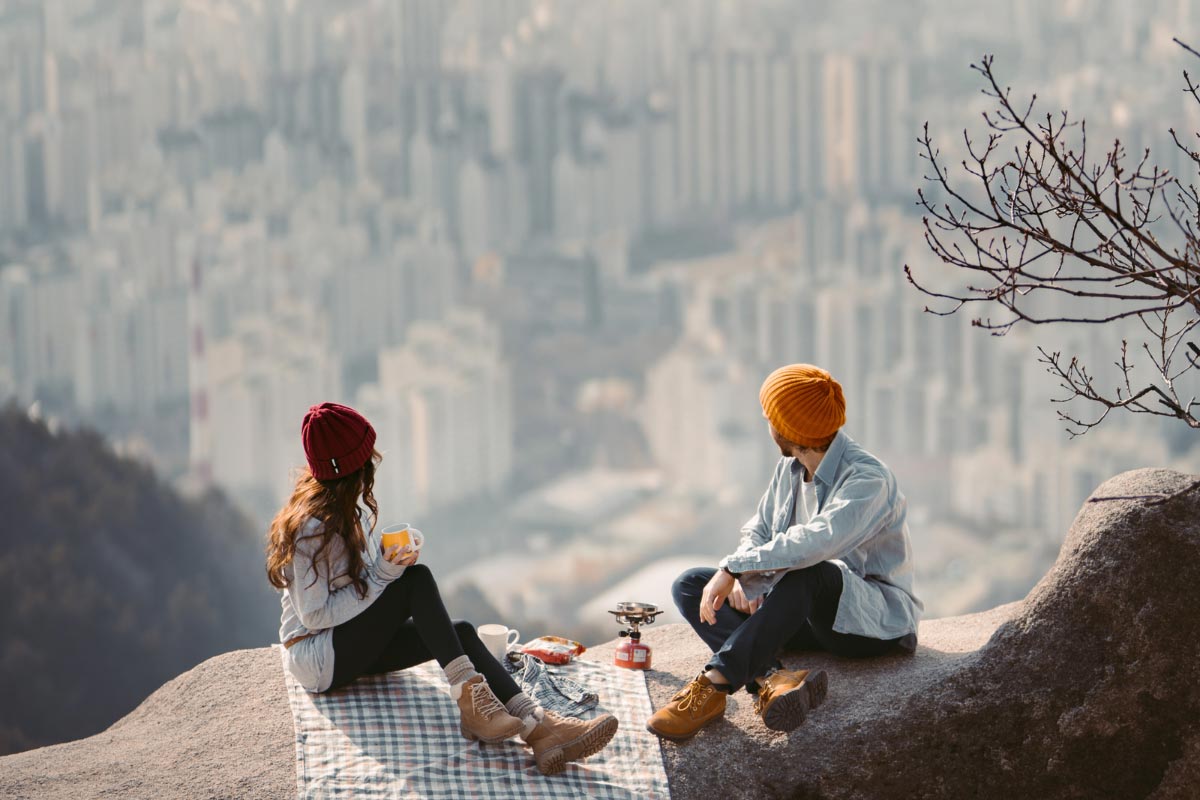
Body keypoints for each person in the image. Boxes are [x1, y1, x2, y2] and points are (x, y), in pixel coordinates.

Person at [266, 402, 618, 775]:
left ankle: (540, 730)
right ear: (352, 465)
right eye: (367, 455)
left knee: (460, 632)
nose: (373, 463)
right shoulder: (310, 528)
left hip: (343, 645)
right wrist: (386, 574)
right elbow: (316, 615)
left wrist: (386, 561)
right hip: (318, 656)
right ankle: (473, 706)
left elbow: (353, 586)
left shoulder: (338, 510)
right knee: (415, 583)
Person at [647, 364, 923, 740]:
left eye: (770, 417)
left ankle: (714, 685)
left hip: (872, 625)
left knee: (811, 570)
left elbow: (817, 543)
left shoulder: (867, 479)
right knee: (692, 584)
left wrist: (739, 568)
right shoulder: (790, 468)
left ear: (788, 429)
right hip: (805, 614)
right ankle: (772, 678)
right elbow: (758, 529)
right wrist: (743, 577)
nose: (766, 424)